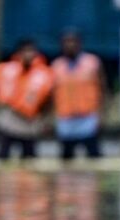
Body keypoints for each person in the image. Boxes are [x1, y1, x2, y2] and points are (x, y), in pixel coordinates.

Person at [0, 39, 54, 160]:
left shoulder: (44, 74)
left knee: (30, 158)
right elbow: (1, 93)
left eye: (31, 51)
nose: (28, 54)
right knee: (2, 156)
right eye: (25, 51)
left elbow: (49, 100)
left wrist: (45, 120)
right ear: (19, 53)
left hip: (30, 122)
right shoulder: (7, 70)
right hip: (10, 118)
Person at [51, 28, 106, 160]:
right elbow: (52, 94)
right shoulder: (56, 66)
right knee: (66, 158)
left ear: (80, 43)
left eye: (73, 41)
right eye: (67, 42)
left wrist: (102, 114)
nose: (70, 45)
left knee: (94, 156)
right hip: (66, 119)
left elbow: (103, 89)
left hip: (88, 118)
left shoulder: (92, 62)